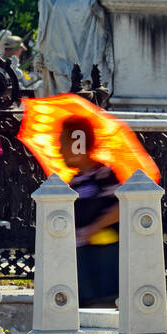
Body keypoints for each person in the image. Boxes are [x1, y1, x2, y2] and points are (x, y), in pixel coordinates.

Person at [60, 117, 120, 308]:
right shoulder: (75, 179)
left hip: (105, 259)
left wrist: (93, 229)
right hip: (82, 259)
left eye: (63, 143)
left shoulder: (104, 174)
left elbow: (121, 207)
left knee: (103, 307)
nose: (60, 151)